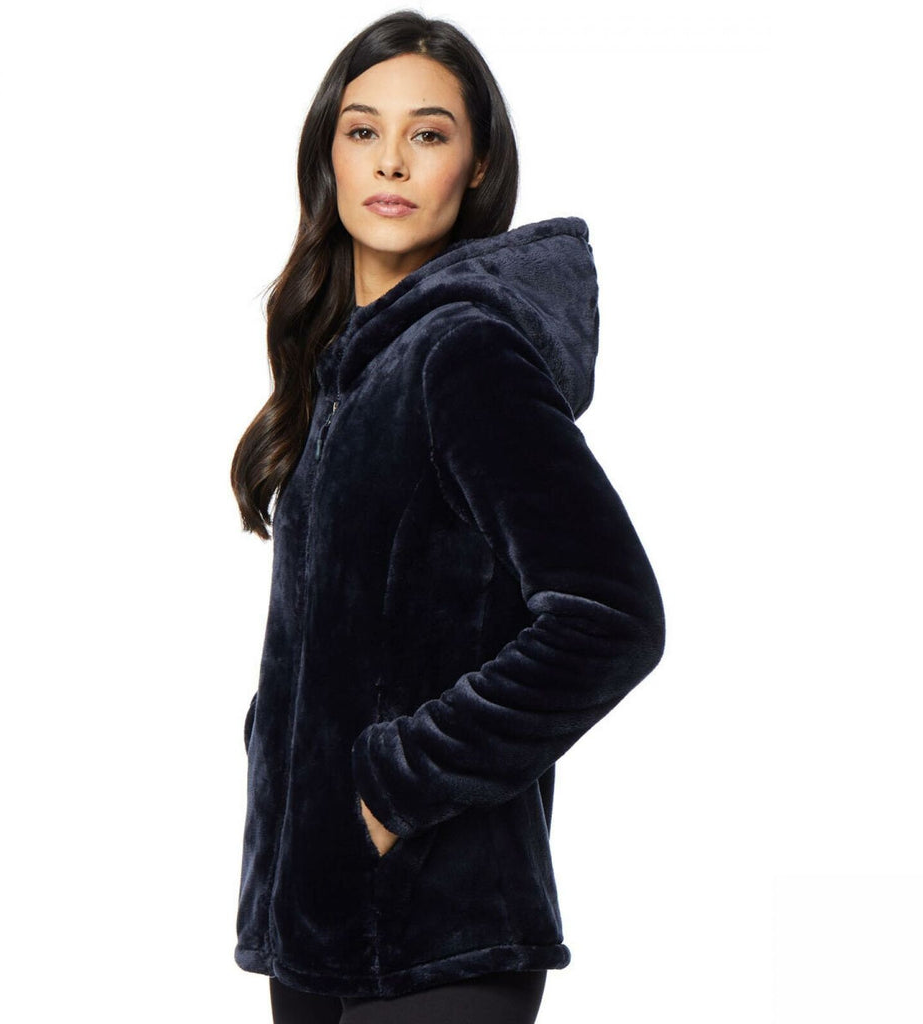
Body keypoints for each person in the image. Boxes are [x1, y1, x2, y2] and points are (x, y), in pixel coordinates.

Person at [229, 11, 666, 1023]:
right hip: (317, 920)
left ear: (476, 168)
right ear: (328, 156)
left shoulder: (462, 353)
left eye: (427, 133)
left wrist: (391, 788)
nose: (390, 160)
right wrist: (284, 767)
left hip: (440, 934)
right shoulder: (346, 371)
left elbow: (610, 616)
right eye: (362, 130)